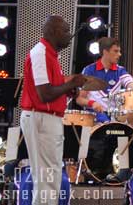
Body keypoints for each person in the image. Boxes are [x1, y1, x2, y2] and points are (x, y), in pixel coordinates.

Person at [19, 15, 86, 205]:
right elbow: (44, 94)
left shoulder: (49, 55)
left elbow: (50, 91)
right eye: (66, 31)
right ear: (54, 32)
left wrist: (68, 90)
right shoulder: (40, 53)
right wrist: (71, 83)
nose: (69, 35)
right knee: (47, 178)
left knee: (50, 176)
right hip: (41, 118)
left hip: (46, 119)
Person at [75, 37, 133, 123]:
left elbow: (130, 84)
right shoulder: (89, 70)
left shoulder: (121, 71)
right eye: (115, 51)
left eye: (119, 51)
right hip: (93, 118)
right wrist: (92, 103)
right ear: (105, 52)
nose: (119, 54)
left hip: (115, 117)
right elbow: (79, 99)